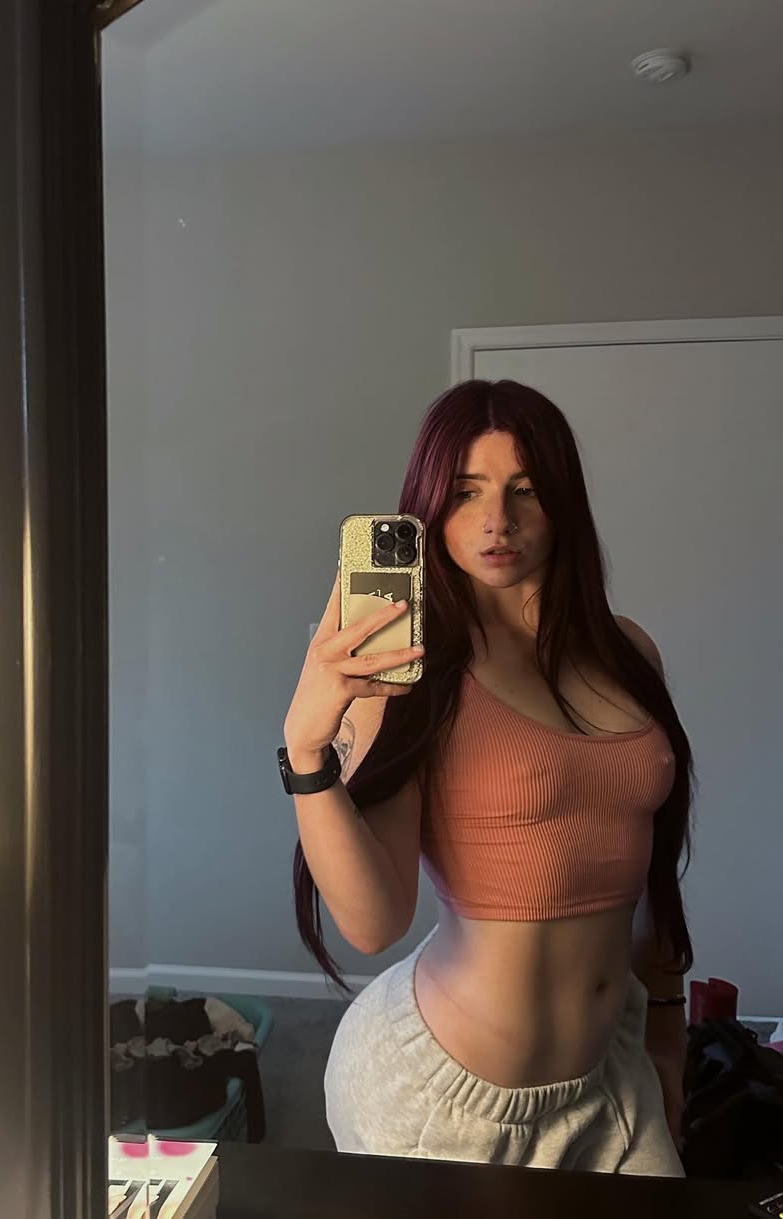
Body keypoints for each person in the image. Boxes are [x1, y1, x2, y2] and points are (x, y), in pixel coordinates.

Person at [282, 379, 694, 1176]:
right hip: (448, 1100)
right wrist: (305, 749)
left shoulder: (629, 652)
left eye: (524, 489)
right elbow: (373, 923)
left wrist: (668, 1035)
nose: (497, 520)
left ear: (562, 501)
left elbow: (653, 869)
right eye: (466, 492)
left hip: (612, 1078)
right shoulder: (412, 675)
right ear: (430, 507)